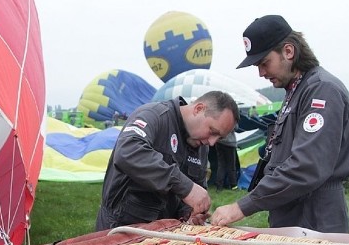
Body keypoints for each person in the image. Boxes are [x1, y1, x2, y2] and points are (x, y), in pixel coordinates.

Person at [211, 15, 349, 233]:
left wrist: (243, 207)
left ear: (288, 52)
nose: (261, 73)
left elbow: (307, 166)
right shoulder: (297, 90)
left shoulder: (321, 90)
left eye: (264, 63)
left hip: (314, 216)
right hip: (291, 212)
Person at [95, 91, 240, 230]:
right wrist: (185, 187)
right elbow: (128, 151)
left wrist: (190, 213)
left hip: (165, 235)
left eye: (219, 137)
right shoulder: (154, 115)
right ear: (199, 109)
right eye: (212, 131)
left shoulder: (201, 144)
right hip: (122, 227)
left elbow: (194, 190)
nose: (212, 142)